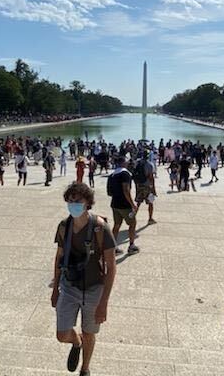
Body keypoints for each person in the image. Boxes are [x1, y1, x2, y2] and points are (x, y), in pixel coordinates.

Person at [52, 183, 117, 376]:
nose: (73, 205)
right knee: (62, 334)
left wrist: (103, 303)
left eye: (78, 201)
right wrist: (55, 289)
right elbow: (58, 258)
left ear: (88, 202)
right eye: (70, 201)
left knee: (90, 331)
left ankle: (85, 368)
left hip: (93, 288)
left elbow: (111, 267)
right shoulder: (64, 227)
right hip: (69, 285)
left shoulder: (100, 228)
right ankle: (76, 342)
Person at [107, 157, 139, 255]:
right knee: (132, 224)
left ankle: (114, 247)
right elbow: (126, 190)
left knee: (116, 225)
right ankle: (131, 246)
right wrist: (132, 204)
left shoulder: (112, 175)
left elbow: (109, 192)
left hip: (114, 204)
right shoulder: (125, 174)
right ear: (123, 163)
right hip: (125, 205)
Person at [133, 152, 157, 225]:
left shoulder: (137, 163)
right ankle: (150, 219)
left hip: (139, 185)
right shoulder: (150, 165)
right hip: (147, 186)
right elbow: (151, 177)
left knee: (138, 203)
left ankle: (132, 218)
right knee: (150, 203)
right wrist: (153, 189)